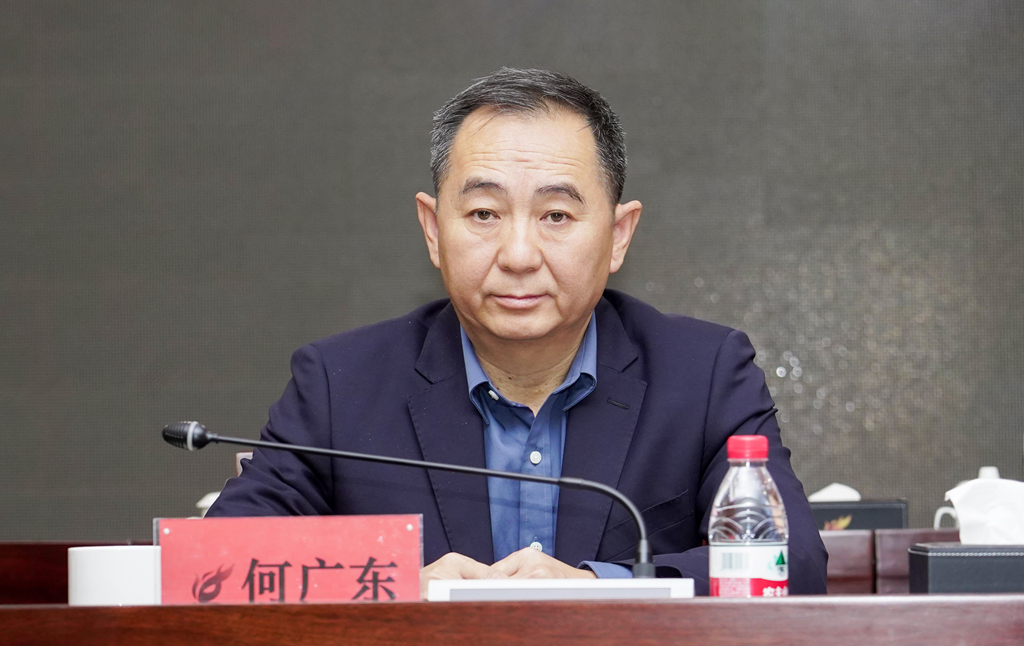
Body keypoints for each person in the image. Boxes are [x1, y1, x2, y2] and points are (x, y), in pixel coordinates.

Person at [206, 68, 828, 595]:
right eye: (484, 213)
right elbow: (218, 566)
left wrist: (598, 589)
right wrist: (395, 588)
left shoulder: (704, 374)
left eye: (556, 215)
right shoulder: (340, 385)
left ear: (618, 236)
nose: (519, 255)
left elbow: (792, 564)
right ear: (432, 229)